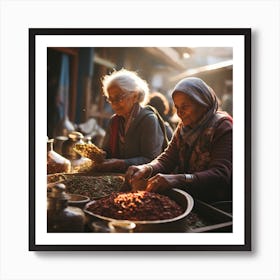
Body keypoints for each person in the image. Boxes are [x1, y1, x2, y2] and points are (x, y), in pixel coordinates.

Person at [126, 77, 233, 203]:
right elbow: (168, 159)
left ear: (203, 104)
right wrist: (147, 168)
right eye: (177, 107)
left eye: (185, 106)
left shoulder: (223, 126)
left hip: (215, 203)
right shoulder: (184, 126)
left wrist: (178, 179)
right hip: (189, 198)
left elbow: (220, 175)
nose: (179, 113)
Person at [93, 69, 168, 173]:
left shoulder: (148, 120)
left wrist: (121, 163)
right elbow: (106, 153)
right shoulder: (114, 121)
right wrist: (97, 155)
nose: (114, 104)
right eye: (111, 99)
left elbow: (153, 160)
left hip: (141, 180)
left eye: (119, 98)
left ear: (135, 96)